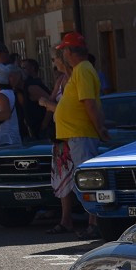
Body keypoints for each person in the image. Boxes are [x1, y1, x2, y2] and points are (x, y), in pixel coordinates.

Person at [44, 32, 110, 238]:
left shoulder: (82, 70)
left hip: (81, 134)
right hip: (76, 135)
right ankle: (93, 222)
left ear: (70, 52)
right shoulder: (81, 69)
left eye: (64, 50)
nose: (63, 54)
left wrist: (100, 129)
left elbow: (88, 102)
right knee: (85, 180)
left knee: (88, 181)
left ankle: (95, 223)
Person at [18, 58, 50, 139]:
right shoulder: (26, 86)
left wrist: (44, 124)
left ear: (32, 68)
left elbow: (50, 103)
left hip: (43, 129)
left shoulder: (33, 86)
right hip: (34, 128)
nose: (22, 71)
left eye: (24, 68)